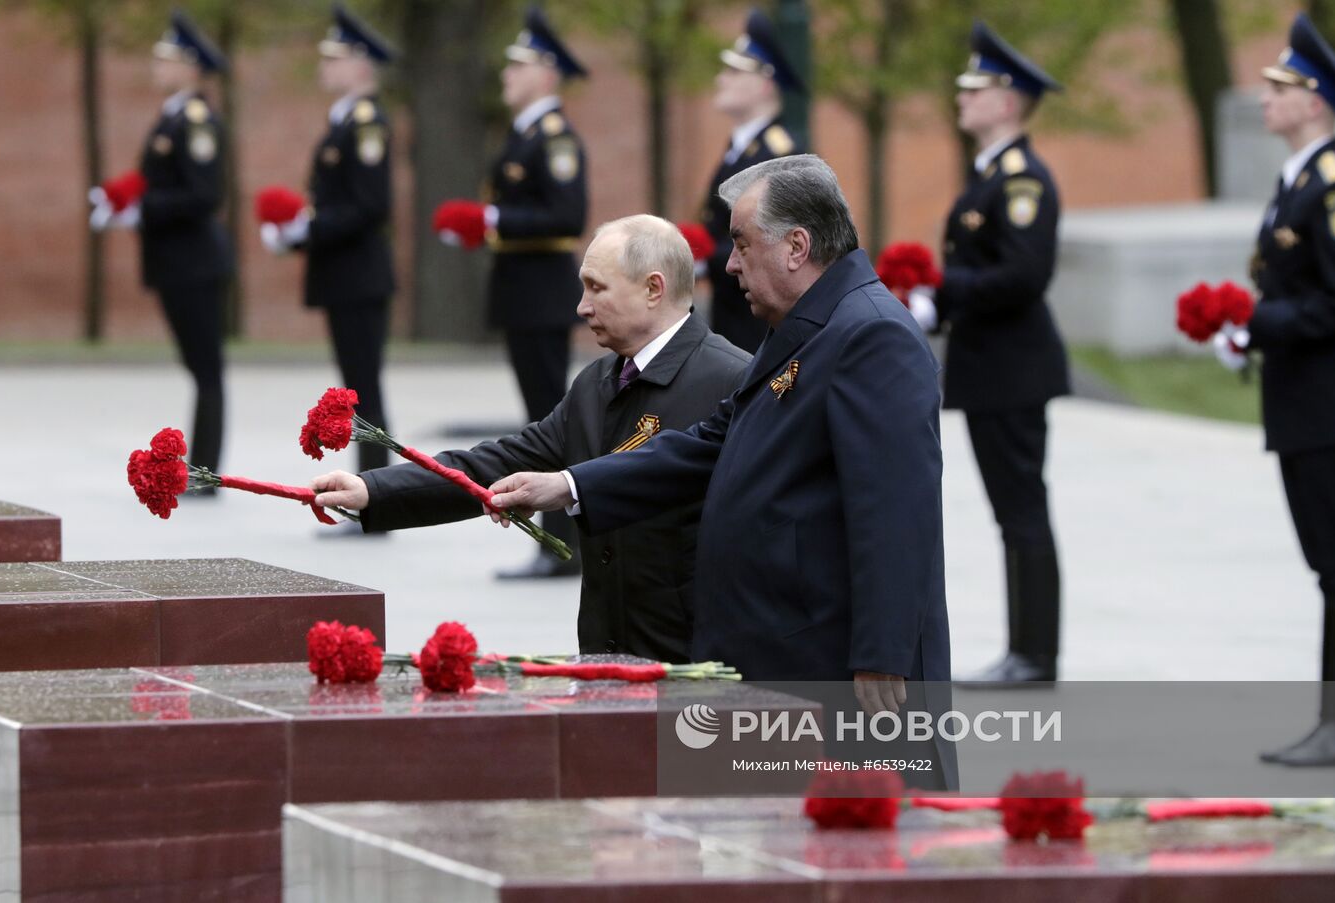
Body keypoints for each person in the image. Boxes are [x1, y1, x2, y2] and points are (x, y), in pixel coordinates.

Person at [487, 156, 955, 786]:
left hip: (847, 674)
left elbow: (899, 510)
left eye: (741, 243)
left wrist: (883, 654)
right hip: (784, 654)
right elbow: (710, 442)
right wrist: (569, 485)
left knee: (863, 852)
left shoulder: (871, 336)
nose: (729, 264)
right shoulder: (807, 328)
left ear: (797, 246)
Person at [312, 216, 750, 662]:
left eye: (597, 289)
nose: (581, 307)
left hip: (697, 662)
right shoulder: (597, 382)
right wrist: (374, 490)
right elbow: (502, 460)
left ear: (653, 289)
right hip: (608, 651)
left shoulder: (731, 378)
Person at [907, 22, 1069, 687]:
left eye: (975, 89)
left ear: (1007, 102)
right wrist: (931, 304)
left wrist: (942, 289)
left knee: (1023, 511)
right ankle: (1024, 649)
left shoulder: (1022, 179)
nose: (962, 97)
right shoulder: (989, 176)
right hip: (991, 367)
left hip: (1013, 368)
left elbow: (1024, 275)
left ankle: (1034, 654)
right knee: (1013, 513)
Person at [1215, 14, 1335, 767]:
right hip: (1306, 404)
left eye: (1281, 87)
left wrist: (1257, 318)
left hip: (1334, 407)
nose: (1266, 98)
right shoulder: (1295, 182)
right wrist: (1247, 328)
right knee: (1332, 567)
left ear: (1317, 102)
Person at [432, 6, 589, 578]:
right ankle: (553, 542)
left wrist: (494, 217)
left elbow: (567, 215)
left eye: (518, 66)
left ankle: (562, 542)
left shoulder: (555, 137)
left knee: (551, 420)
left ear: (546, 74)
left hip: (543, 291)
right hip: (521, 290)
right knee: (539, 417)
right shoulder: (523, 134)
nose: (507, 75)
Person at [91, 11, 229, 482]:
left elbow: (204, 194)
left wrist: (141, 209)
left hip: (195, 261)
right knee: (197, 366)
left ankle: (206, 473)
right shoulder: (172, 116)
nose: (156, 65)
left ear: (191, 66)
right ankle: (201, 471)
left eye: (165, 58)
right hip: (176, 262)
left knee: (206, 369)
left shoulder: (196, 120)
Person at [262, 4, 395, 475]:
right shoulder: (345, 121)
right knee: (355, 387)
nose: (324, 65)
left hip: (359, 274)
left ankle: (376, 495)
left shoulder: (366, 125)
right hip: (345, 274)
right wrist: (298, 235)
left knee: (363, 391)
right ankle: (369, 493)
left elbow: (368, 206)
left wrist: (307, 229)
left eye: (334, 57)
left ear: (361, 65)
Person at [698, 9, 806, 354]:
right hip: (732, 307)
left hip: (759, 318)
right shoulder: (738, 147)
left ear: (763, 83)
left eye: (734, 71)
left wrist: (705, 257)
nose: (721, 80)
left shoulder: (777, 153)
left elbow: (771, 239)